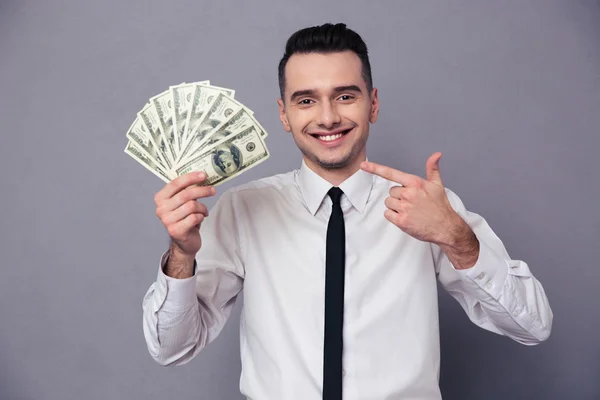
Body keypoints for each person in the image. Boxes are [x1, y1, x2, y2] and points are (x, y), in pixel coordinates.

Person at [143, 23, 553, 400]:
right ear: (284, 114)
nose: (327, 117)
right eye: (306, 100)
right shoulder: (242, 209)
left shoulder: (428, 206)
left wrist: (460, 241)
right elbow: (171, 350)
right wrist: (182, 254)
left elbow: (533, 327)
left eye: (345, 95)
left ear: (372, 104)